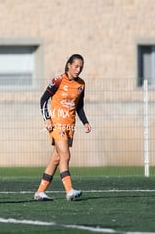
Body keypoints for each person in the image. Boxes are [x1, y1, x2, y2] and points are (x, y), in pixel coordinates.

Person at [34, 54, 92, 201]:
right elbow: (43, 99)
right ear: (68, 65)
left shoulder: (81, 84)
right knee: (65, 155)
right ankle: (69, 190)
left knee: (56, 159)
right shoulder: (58, 80)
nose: (78, 69)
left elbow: (79, 106)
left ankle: (40, 192)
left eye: (81, 67)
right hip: (57, 123)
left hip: (69, 125)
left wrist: (85, 121)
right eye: (76, 66)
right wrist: (46, 118)